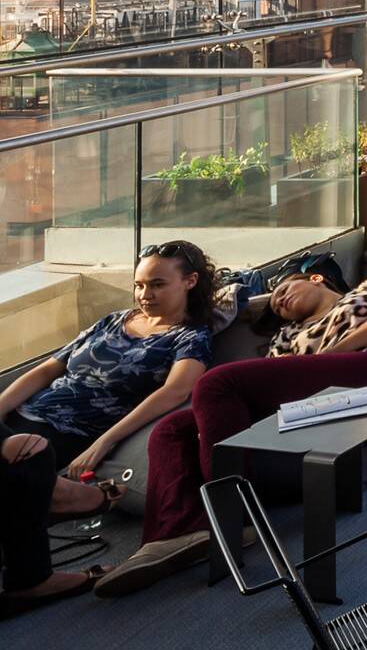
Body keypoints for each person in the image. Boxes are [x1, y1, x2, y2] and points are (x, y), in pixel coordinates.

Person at [95, 266, 367, 596]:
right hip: (318, 409)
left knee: (215, 383)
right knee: (171, 429)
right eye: (276, 304)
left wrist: (320, 358)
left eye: (284, 292)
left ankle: (230, 518)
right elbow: (264, 396)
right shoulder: (285, 337)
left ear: (315, 278)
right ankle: (172, 535)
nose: (281, 302)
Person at [0, 242, 216, 609]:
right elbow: (48, 369)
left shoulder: (190, 338)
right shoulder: (112, 321)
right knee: (18, 466)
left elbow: (173, 392)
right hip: (20, 421)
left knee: (25, 457)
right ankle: (54, 506)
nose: (144, 295)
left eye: (157, 284)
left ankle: (51, 510)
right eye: (139, 284)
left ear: (190, 281)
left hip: (64, 433)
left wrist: (103, 443)